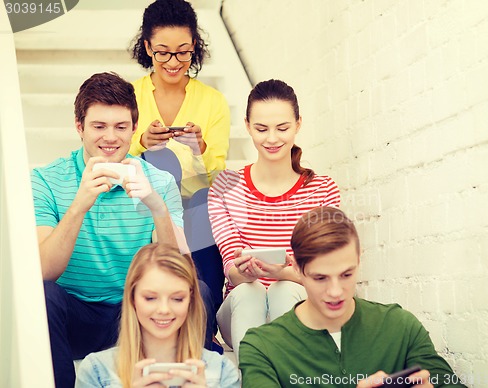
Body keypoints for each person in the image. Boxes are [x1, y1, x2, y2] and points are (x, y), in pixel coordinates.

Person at [30, 72, 213, 388]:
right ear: (79, 127)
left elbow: (179, 271)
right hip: (75, 315)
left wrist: (156, 207)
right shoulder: (45, 179)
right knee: (42, 295)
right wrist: (80, 205)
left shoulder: (158, 181)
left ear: (134, 129)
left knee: (201, 291)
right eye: (99, 126)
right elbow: (45, 270)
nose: (110, 137)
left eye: (121, 127)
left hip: (135, 315)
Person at [239, 206, 467, 388]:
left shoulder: (400, 326)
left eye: (346, 274)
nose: (336, 291)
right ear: (297, 269)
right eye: (320, 278)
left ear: (359, 260)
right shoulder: (262, 347)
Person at [208, 79, 341, 359]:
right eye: (261, 128)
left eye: (282, 128)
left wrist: (283, 274)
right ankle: (256, 373)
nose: (272, 139)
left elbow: (327, 274)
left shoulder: (322, 189)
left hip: (301, 306)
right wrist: (243, 273)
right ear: (246, 126)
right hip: (241, 308)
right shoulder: (226, 186)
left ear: (298, 124)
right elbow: (229, 266)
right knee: (249, 291)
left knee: (284, 290)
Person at [128, 0, 229, 315]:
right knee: (162, 162)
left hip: (194, 204)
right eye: (162, 52)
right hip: (142, 204)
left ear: (194, 47)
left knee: (202, 199)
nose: (173, 62)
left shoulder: (213, 102)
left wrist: (199, 148)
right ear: (147, 47)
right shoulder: (129, 96)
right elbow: (112, 154)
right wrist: (141, 142)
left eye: (183, 51)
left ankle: (205, 317)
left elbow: (216, 178)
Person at [75, 243, 240, 388]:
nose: (164, 309)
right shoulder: (96, 370)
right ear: (132, 298)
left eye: (177, 298)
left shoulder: (221, 370)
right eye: (150, 298)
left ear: (190, 300)